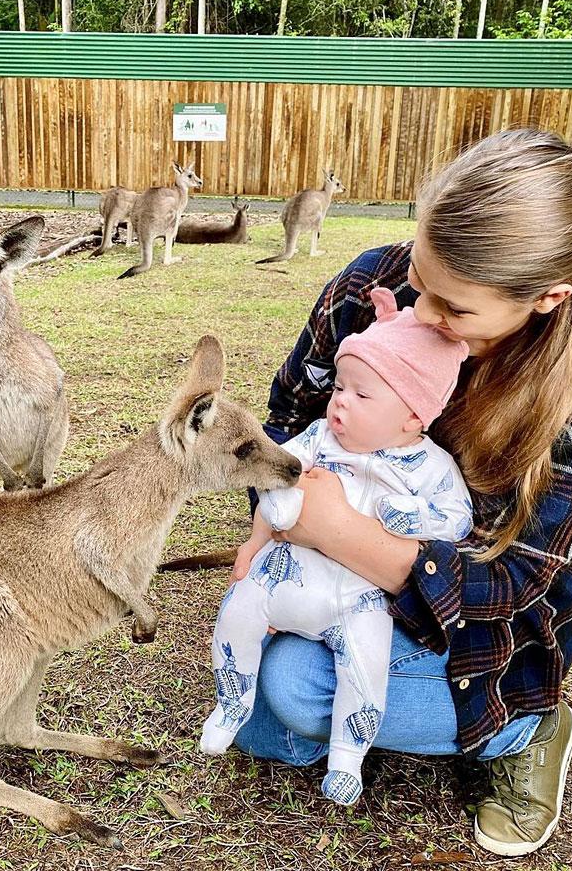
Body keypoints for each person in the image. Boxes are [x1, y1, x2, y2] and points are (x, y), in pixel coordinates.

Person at [229, 128, 572, 857]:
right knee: (262, 704)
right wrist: (274, 534)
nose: (420, 314)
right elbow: (290, 412)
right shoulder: (369, 286)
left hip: (477, 621)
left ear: (547, 299)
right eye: (421, 280)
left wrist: (333, 531)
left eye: (454, 309)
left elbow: (513, 585)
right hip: (338, 569)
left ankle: (527, 728)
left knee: (292, 688)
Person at [200, 287, 473, 807]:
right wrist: (257, 541)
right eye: (340, 387)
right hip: (288, 573)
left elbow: (457, 520)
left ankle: (347, 757)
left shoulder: (430, 467)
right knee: (238, 611)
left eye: (362, 395)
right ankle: (230, 702)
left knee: (364, 669)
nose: (341, 401)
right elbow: (276, 475)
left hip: (361, 598)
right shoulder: (318, 437)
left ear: (414, 417)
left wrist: (413, 516)